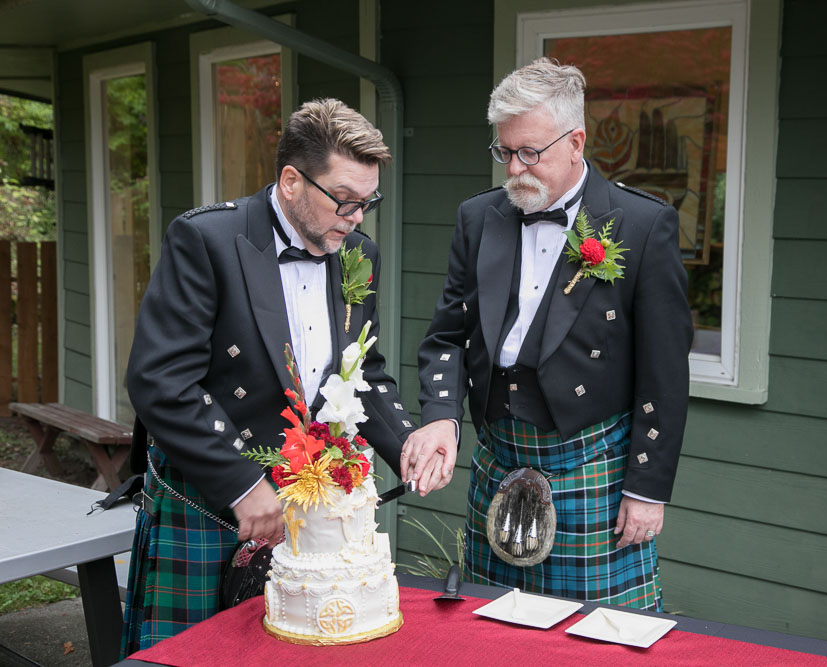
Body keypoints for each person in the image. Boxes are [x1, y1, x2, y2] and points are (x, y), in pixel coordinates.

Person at [121, 98, 415, 654]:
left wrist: (406, 445)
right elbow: (160, 380)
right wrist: (239, 483)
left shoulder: (356, 253)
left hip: (303, 501)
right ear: (291, 181)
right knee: (185, 658)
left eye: (366, 203)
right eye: (344, 200)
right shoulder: (208, 240)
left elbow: (359, 370)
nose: (355, 218)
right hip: (209, 495)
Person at [402, 58, 692, 611]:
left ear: (576, 141)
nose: (514, 168)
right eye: (504, 151)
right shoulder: (477, 217)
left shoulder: (640, 224)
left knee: (597, 639)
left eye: (530, 152)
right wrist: (441, 414)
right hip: (498, 456)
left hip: (592, 465)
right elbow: (448, 334)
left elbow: (664, 371)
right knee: (493, 629)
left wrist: (646, 488)